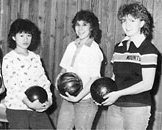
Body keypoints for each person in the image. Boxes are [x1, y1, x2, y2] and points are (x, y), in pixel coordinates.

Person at [101, 2, 158, 130]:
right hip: (115, 107)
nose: (127, 25)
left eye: (132, 21)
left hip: (137, 108)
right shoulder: (119, 47)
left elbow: (147, 84)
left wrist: (119, 94)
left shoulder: (148, 49)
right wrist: (102, 95)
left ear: (142, 23)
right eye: (124, 21)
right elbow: (115, 77)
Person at [2, 18, 54, 129]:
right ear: (13, 37)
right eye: (21, 35)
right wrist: (29, 103)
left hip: (36, 106)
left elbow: (44, 81)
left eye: (28, 35)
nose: (25, 39)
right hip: (17, 108)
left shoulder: (35, 58)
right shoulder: (9, 59)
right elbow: (13, 85)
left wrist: (49, 100)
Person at [56, 10, 103, 129]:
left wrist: (78, 97)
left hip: (85, 101)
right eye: (78, 24)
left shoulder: (94, 49)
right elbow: (64, 70)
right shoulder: (71, 46)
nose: (80, 28)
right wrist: (59, 82)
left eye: (84, 25)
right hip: (69, 98)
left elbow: (94, 78)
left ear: (91, 27)